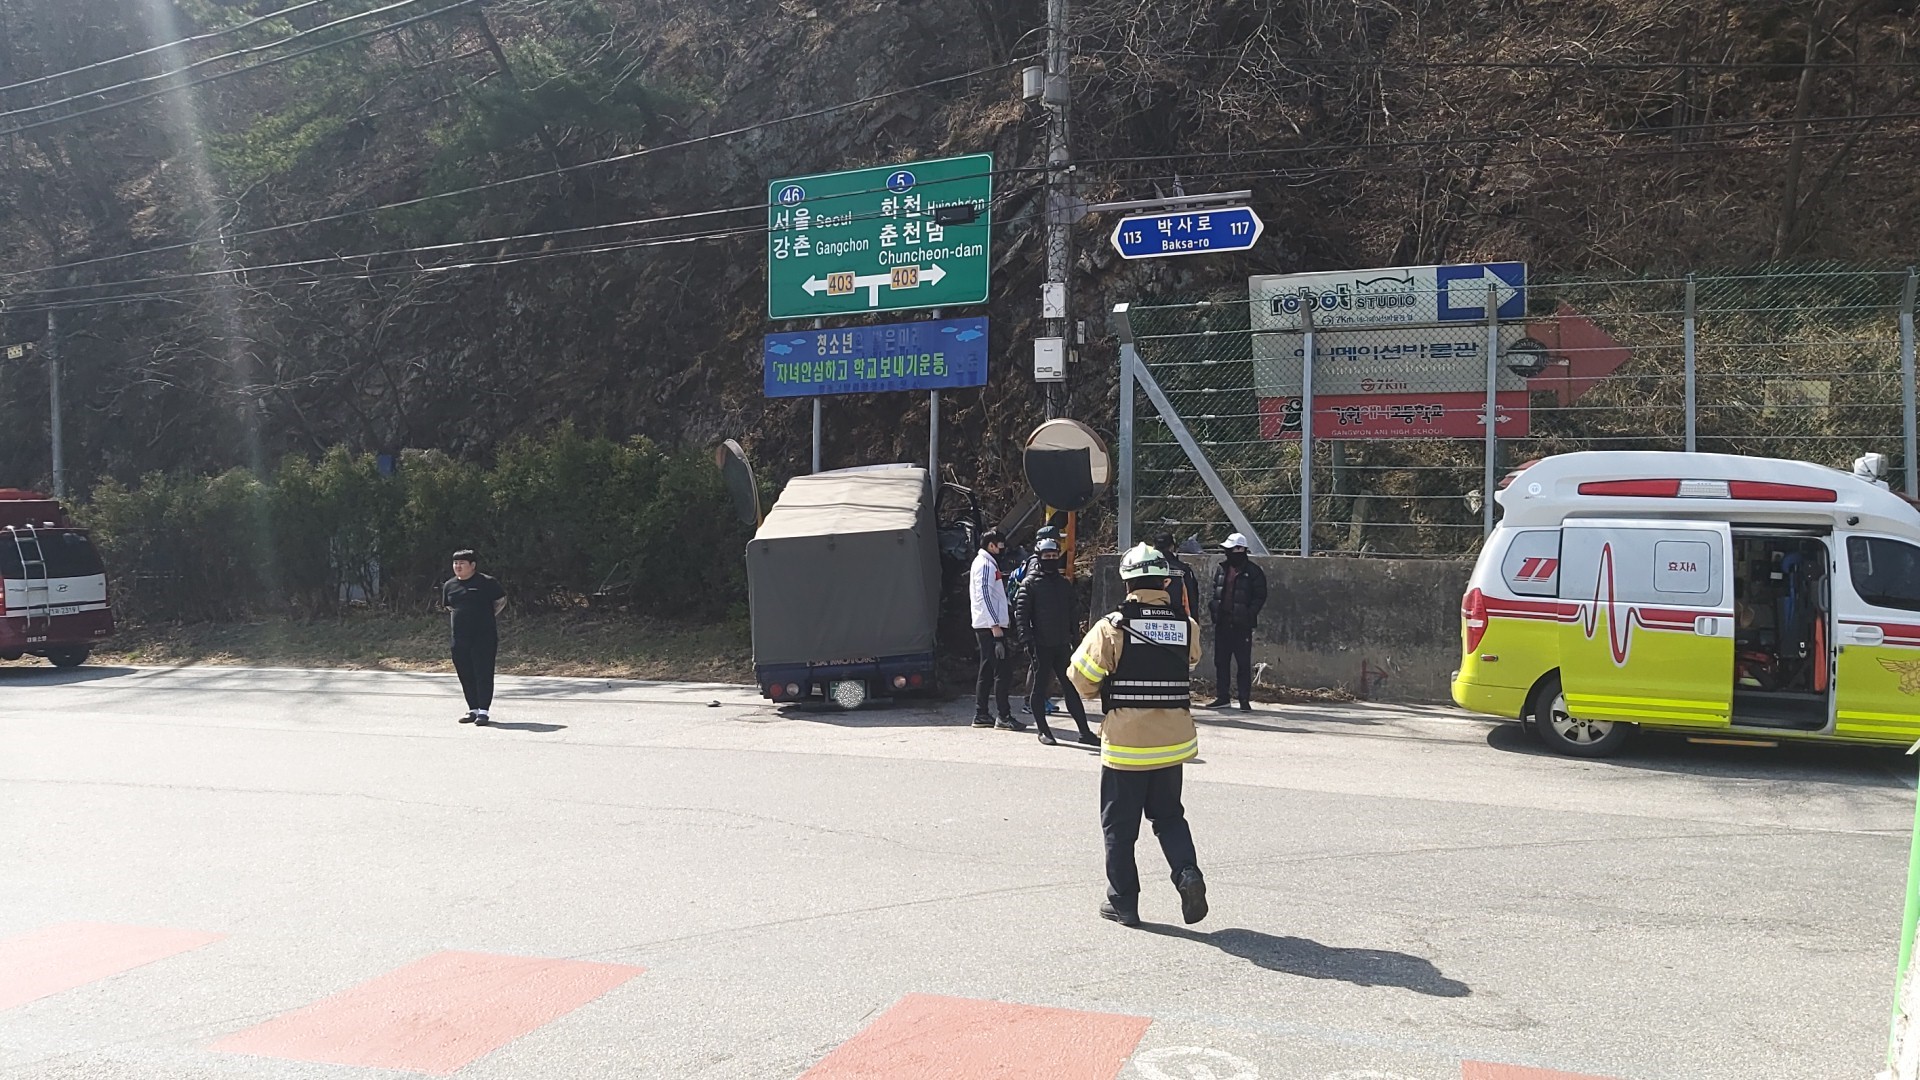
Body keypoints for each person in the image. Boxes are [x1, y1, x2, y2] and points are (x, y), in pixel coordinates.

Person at [1069, 543, 1207, 928]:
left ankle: (1123, 904)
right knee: (1169, 816)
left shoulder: (1111, 627)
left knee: (1119, 826)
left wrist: (1107, 687)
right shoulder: (1187, 625)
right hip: (1173, 743)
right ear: (1166, 582)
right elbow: (1190, 661)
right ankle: (1187, 874)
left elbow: (1080, 677)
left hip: (1126, 746)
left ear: (1126, 583)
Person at [1013, 539, 1097, 747]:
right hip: (1040, 645)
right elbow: (1021, 617)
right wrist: (1027, 641)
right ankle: (1043, 731)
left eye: (1053, 556)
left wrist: (1076, 639)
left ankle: (1085, 732)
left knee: (1071, 688)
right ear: (1039, 557)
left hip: (1062, 644)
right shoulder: (1029, 584)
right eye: (1046, 556)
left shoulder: (1063, 584)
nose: (1051, 559)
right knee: (1039, 689)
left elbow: (1072, 613)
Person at [443, 550, 507, 726]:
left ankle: (484, 711)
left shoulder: (487, 582)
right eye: (455, 563)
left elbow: (500, 601)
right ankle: (473, 709)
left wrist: (484, 617)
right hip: (459, 637)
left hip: (483, 636)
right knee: (465, 672)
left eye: (462, 563)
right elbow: (449, 606)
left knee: (483, 672)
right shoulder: (449, 585)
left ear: (472, 565)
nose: (458, 566)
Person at [969, 529, 1024, 730]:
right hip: (990, 627)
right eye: (1000, 544)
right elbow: (984, 595)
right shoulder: (985, 565)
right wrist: (995, 626)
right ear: (991, 545)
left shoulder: (985, 563)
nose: (1002, 548)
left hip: (986, 625)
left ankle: (981, 713)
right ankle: (1003, 716)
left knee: (987, 669)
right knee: (1003, 671)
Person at [1207, 532, 1267, 712]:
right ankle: (1222, 697)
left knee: (1242, 663)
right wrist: (1214, 608)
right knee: (1221, 661)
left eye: (1231, 549)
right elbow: (1216, 590)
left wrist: (1248, 614)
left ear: (1241, 549)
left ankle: (1244, 699)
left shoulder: (1253, 571)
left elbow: (1260, 596)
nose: (1228, 553)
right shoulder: (1222, 569)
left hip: (1242, 625)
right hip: (1223, 622)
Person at [1153, 531, 1195, 619]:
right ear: (1172, 547)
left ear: (1153, 547)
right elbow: (1191, 598)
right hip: (1178, 618)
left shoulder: (1144, 569)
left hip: (1150, 616)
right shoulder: (1183, 570)